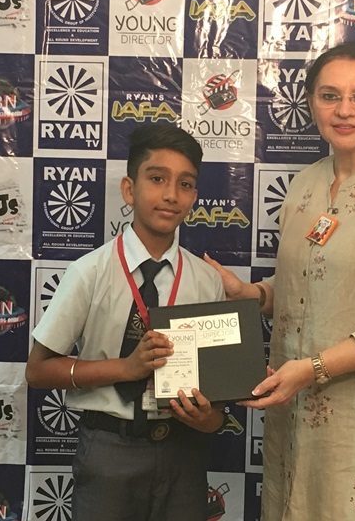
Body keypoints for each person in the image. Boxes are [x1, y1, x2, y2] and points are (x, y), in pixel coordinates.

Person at [205, 42, 355, 520]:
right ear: (311, 103)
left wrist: (312, 368)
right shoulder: (305, 186)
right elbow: (310, 290)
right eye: (329, 96)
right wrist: (253, 295)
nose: (344, 110)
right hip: (301, 422)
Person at [26, 124, 226, 521]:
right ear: (129, 189)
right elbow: (38, 371)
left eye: (185, 184)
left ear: (194, 197)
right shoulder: (90, 272)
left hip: (183, 451)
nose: (171, 195)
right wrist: (126, 368)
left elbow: (217, 394)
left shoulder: (207, 281)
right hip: (109, 451)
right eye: (157, 179)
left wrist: (210, 419)